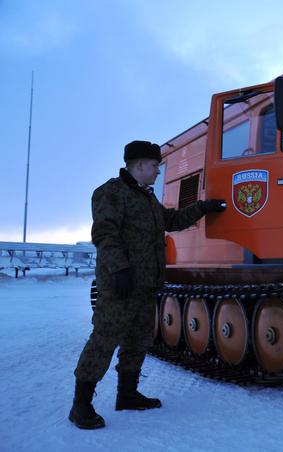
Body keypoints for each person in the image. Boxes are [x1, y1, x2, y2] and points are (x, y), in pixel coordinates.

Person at [69, 140, 226, 429]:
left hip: (145, 284)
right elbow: (105, 233)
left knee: (138, 339)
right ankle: (81, 405)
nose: (158, 171)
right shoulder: (111, 193)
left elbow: (173, 220)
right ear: (138, 165)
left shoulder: (147, 198)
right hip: (120, 283)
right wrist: (119, 270)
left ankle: (127, 394)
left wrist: (203, 207)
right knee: (105, 338)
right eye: (155, 166)